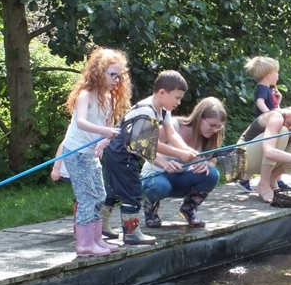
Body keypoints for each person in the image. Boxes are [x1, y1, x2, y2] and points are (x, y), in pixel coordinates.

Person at [101, 70, 198, 245]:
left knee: (115, 190)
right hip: (121, 153)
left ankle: (102, 225)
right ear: (162, 92)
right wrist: (179, 154)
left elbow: (172, 134)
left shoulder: (163, 110)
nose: (179, 102)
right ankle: (131, 233)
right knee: (132, 191)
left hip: (131, 152)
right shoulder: (145, 112)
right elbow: (148, 143)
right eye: (176, 97)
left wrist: (187, 150)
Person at [60, 47, 131, 257]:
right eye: (113, 75)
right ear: (99, 72)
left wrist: (104, 140)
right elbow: (81, 122)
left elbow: (108, 127)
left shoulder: (109, 98)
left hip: (91, 154)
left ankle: (97, 239)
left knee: (100, 195)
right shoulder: (86, 95)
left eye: (120, 76)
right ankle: (84, 244)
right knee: (87, 198)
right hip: (76, 152)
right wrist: (104, 132)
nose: (116, 80)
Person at [140, 97, 227, 228]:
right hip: (157, 176)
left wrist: (206, 164)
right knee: (160, 187)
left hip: (181, 179)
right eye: (212, 125)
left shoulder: (212, 136)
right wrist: (163, 163)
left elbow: (212, 160)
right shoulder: (173, 125)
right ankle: (150, 208)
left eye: (218, 126)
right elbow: (144, 147)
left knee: (212, 174)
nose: (214, 130)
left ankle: (188, 209)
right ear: (200, 117)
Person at [236, 56, 291, 193]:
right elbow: (260, 102)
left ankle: (272, 179)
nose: (278, 75)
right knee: (266, 149)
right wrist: (271, 114)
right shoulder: (262, 88)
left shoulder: (269, 90)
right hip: (263, 125)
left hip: (270, 123)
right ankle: (244, 179)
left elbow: (275, 108)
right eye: (276, 73)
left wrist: (278, 102)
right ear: (269, 76)